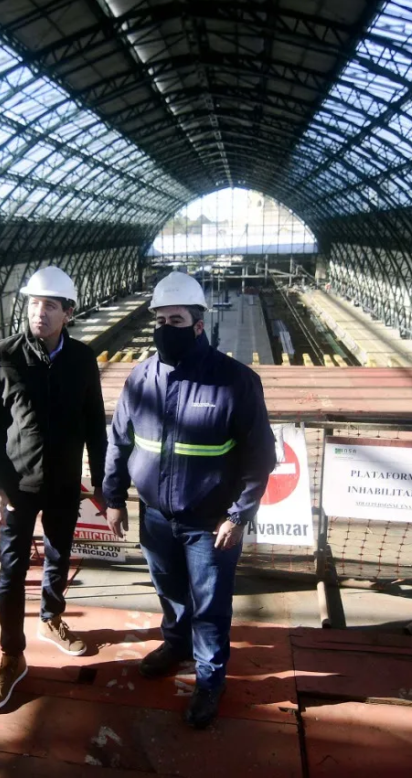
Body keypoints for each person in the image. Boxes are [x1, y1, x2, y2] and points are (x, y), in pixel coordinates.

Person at [102, 271, 276, 729]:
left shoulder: (235, 381)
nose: (164, 327)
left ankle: (209, 680)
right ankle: (175, 643)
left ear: (199, 324)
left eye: (175, 319)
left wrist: (239, 517)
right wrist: (114, 497)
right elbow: (119, 440)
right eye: (158, 318)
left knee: (211, 606)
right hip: (155, 516)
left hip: (210, 521)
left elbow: (262, 459)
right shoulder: (140, 377)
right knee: (171, 592)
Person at [0, 265, 108, 712]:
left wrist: (102, 484)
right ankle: (12, 655)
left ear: (68, 312)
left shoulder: (83, 360)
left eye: (50, 305)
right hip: (15, 489)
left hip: (65, 484)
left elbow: (95, 428)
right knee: (10, 572)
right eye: (33, 303)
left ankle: (52, 618)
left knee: (58, 555)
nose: (39, 312)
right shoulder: (2, 354)